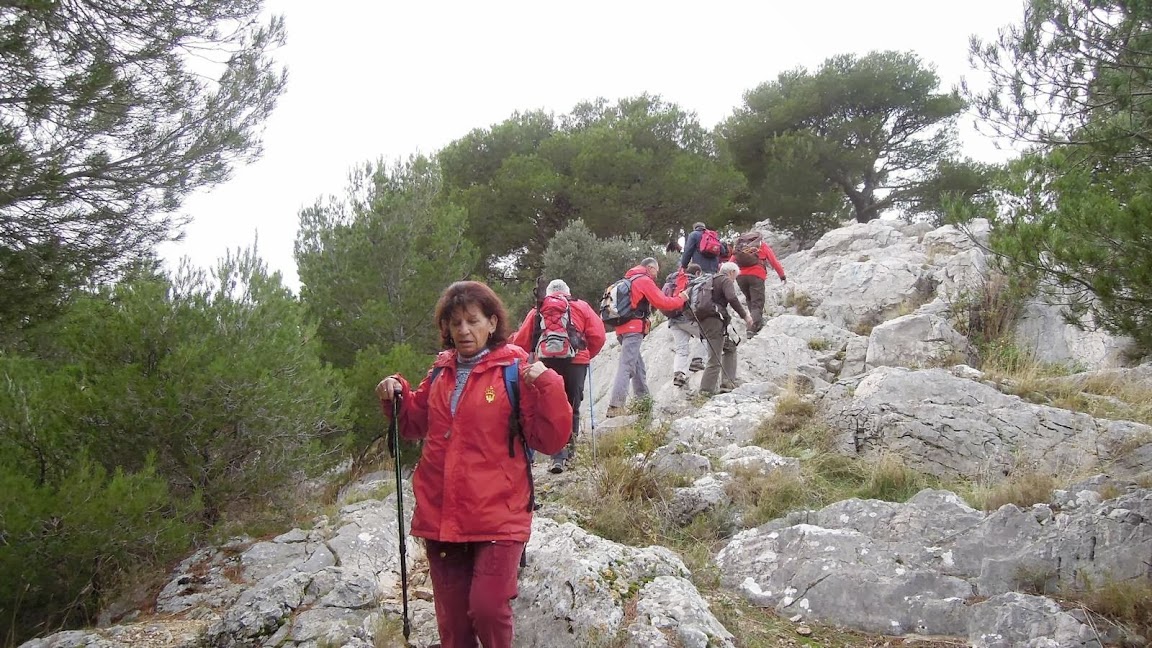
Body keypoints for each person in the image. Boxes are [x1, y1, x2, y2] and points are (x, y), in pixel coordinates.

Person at [375, 281, 572, 648]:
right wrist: (397, 392)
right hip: (442, 514)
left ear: (493, 323)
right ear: (446, 329)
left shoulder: (516, 369)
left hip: (500, 512)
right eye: (455, 323)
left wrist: (548, 385)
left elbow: (552, 440)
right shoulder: (440, 372)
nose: (464, 330)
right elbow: (415, 424)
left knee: (487, 608)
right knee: (453, 627)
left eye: (473, 320)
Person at [512, 279, 606, 473]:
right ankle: (570, 453)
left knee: (550, 406)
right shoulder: (581, 306)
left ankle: (557, 456)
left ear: (548, 294)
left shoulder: (538, 310)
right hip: (576, 362)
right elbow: (599, 336)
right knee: (572, 406)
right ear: (567, 292)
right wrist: (587, 355)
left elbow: (521, 341)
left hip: (545, 363)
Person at [606, 257, 687, 417]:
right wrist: (681, 299)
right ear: (650, 268)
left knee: (638, 367)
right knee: (627, 366)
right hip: (634, 328)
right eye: (656, 271)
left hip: (621, 328)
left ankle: (643, 403)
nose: (656, 275)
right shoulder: (643, 280)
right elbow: (663, 302)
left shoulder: (625, 280)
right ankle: (615, 406)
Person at [693, 262, 754, 396]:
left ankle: (727, 383)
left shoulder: (711, 280)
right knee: (714, 358)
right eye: (735, 276)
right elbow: (732, 298)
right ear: (731, 272)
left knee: (730, 347)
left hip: (704, 321)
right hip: (714, 321)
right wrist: (745, 316)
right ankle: (705, 391)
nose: (734, 279)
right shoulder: (725, 280)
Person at [662, 263, 707, 388]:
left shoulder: (673, 281)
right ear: (698, 273)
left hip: (672, 320)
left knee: (681, 349)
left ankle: (679, 374)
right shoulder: (694, 282)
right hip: (686, 318)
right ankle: (697, 360)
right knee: (708, 335)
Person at [735, 235, 786, 336]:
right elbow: (774, 261)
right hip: (756, 275)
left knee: (749, 299)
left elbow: (731, 261)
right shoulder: (762, 246)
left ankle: (754, 321)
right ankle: (753, 327)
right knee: (757, 302)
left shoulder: (740, 247)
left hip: (740, 276)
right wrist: (782, 275)